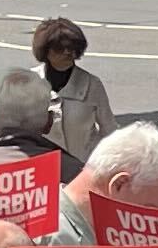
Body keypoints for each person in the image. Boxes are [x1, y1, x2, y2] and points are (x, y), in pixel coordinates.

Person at [29, 20, 114, 168]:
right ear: (45, 51)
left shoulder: (92, 83)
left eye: (72, 48)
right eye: (60, 48)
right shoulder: (28, 83)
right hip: (43, 171)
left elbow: (109, 130)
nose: (68, 53)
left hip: (85, 170)